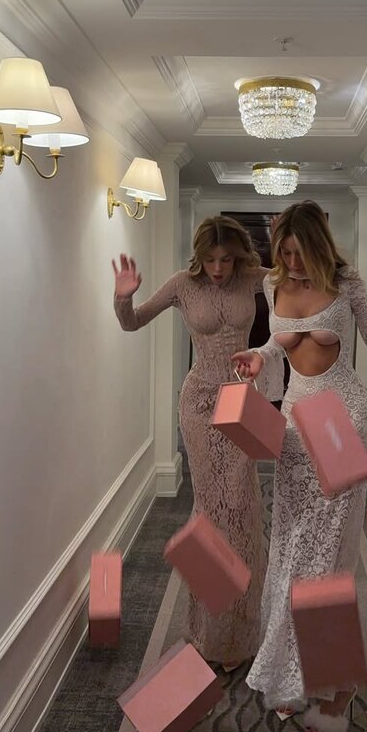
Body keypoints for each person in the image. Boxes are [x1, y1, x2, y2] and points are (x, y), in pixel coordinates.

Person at [232, 200, 367, 732]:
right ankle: (292, 674)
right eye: (283, 252)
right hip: (294, 426)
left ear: (317, 245)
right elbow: (276, 343)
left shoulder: (347, 282)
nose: (290, 262)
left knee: (327, 563)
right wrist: (260, 357)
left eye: (298, 252)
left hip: (342, 423)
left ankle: (337, 685)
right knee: (290, 553)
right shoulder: (274, 284)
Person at [113, 216, 267, 671]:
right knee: (210, 510)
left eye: (226, 259)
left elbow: (304, 282)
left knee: (242, 507)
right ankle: (208, 629)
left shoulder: (252, 278)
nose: (218, 268)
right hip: (198, 404)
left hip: (240, 402)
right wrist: (123, 297)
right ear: (198, 257)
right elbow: (132, 322)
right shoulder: (182, 284)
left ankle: (241, 628)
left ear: (238, 257)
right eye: (210, 259)